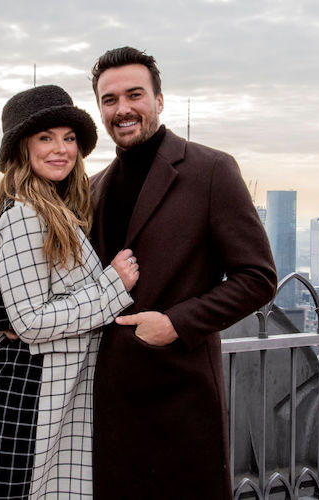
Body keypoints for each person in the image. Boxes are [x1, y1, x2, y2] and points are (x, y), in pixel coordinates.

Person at [88, 47, 278, 499]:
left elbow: (258, 277)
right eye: (109, 99)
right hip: (108, 408)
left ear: (159, 100)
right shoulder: (94, 186)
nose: (123, 109)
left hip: (181, 398)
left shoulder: (211, 170)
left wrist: (176, 323)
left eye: (135, 94)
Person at [0, 84, 138, 499]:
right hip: (29, 396)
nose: (61, 149)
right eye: (46, 138)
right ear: (23, 148)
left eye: (69, 138)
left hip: (48, 390)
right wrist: (113, 287)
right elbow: (29, 320)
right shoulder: (24, 214)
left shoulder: (56, 209)